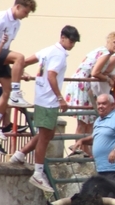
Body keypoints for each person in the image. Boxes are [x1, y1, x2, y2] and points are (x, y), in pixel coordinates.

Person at [8, 25, 80, 193]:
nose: (72, 44)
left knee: (46, 133)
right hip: (49, 100)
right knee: (45, 137)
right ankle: (38, 172)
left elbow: (25, 61)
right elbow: (51, 75)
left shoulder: (48, 50)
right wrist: (60, 98)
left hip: (41, 97)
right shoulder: (59, 54)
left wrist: (22, 71)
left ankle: (20, 154)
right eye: (71, 40)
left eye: (74, 42)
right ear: (63, 37)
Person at [0, 0, 37, 143]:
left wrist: (17, 70)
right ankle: (17, 93)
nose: (26, 16)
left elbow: (7, 47)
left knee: (7, 90)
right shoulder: (0, 18)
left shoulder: (17, 23)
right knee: (20, 57)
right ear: (18, 7)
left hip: (1, 55)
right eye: (25, 12)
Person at [63, 32, 115, 156]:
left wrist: (109, 76)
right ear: (108, 42)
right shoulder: (105, 53)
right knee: (83, 120)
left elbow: (99, 71)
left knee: (89, 119)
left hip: (83, 83)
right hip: (83, 84)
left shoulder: (101, 51)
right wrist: (108, 79)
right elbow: (95, 72)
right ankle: (78, 148)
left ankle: (86, 150)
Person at [72, 94, 115, 179]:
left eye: (104, 104)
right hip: (103, 167)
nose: (100, 106)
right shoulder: (98, 120)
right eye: (99, 104)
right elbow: (97, 138)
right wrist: (82, 141)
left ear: (112, 105)